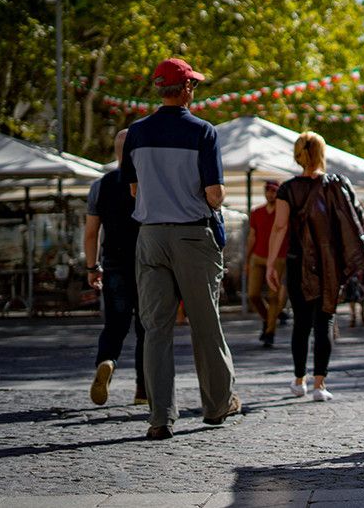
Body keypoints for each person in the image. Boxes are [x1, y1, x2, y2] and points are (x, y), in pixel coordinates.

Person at [122, 57, 239, 441]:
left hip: (150, 236)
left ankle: (159, 418)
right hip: (192, 236)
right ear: (186, 89)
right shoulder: (203, 132)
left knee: (156, 329)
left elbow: (134, 190)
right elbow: (214, 195)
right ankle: (217, 405)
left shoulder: (135, 133)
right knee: (205, 323)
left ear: (160, 89)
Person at [267, 131, 364, 401]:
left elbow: (279, 227)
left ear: (298, 154)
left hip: (296, 261)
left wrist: (270, 265)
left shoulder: (288, 189)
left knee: (301, 322)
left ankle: (298, 380)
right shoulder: (338, 185)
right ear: (322, 153)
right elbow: (356, 217)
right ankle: (319, 385)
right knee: (324, 319)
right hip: (329, 263)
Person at [84, 129, 145, 407]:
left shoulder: (100, 186)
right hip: (147, 262)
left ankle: (106, 361)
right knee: (147, 328)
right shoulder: (147, 182)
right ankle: (143, 391)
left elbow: (91, 232)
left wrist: (91, 267)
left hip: (114, 263)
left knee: (114, 325)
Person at [245, 179, 288, 347]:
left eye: (274, 191)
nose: (271, 194)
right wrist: (247, 259)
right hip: (258, 256)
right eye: (268, 191)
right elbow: (252, 236)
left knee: (273, 297)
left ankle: (270, 332)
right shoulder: (256, 212)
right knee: (253, 295)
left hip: (278, 257)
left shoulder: (283, 212)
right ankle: (268, 318)